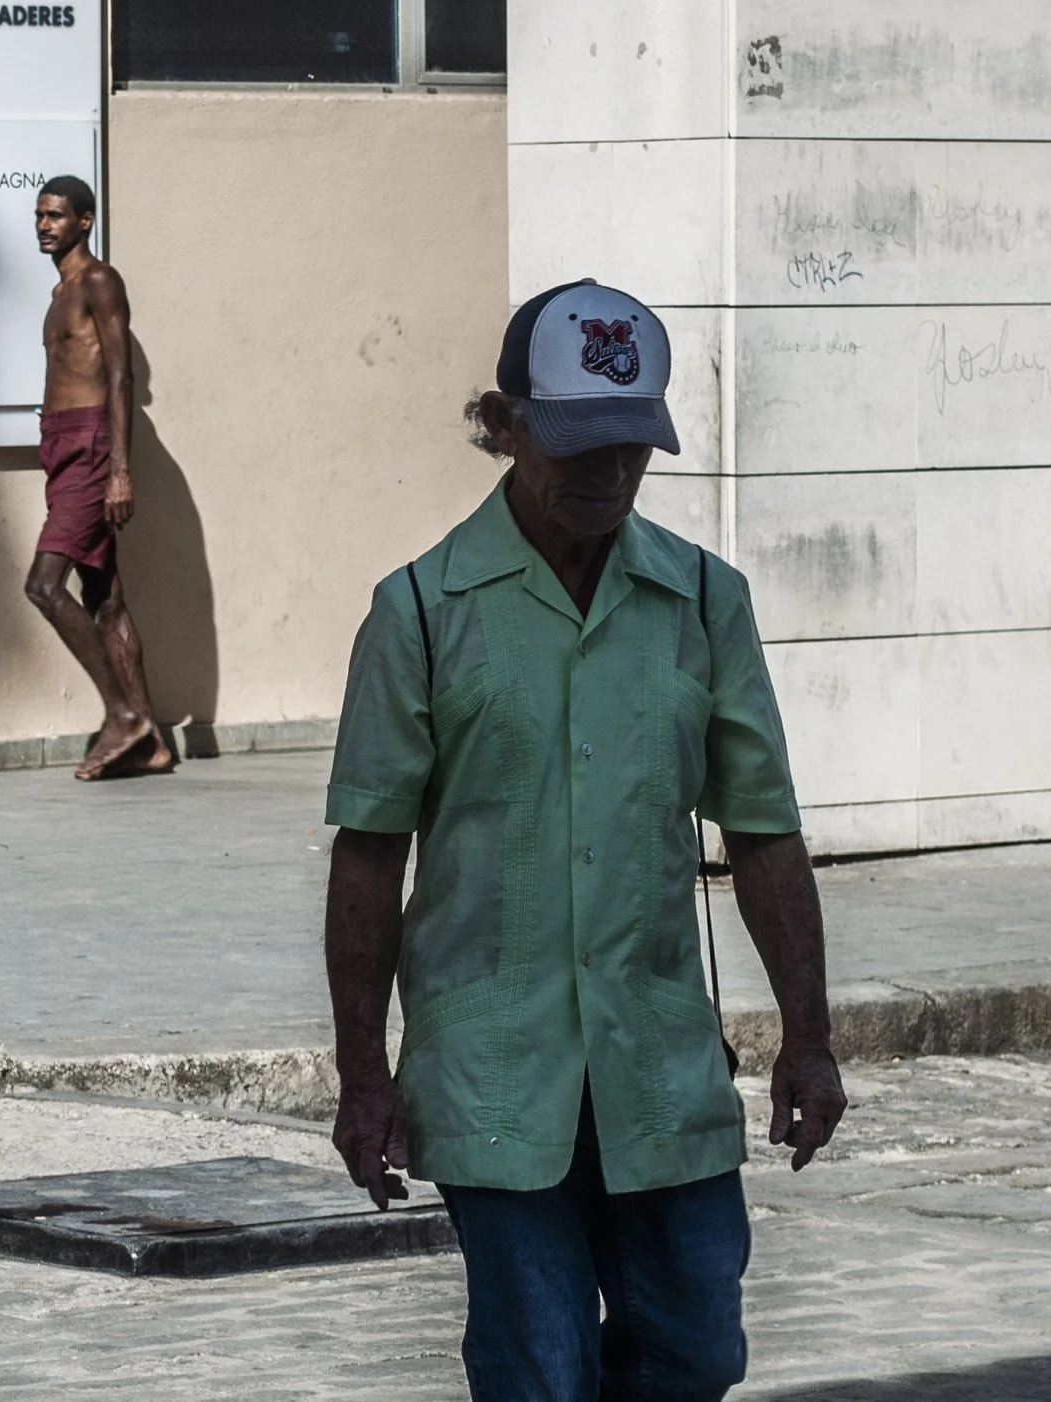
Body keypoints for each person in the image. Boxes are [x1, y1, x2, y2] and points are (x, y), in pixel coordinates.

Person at [323, 280, 846, 1402]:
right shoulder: (418, 611)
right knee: (537, 1368)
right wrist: (363, 1076)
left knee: (697, 1350)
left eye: (630, 449)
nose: (607, 477)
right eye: (576, 447)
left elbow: (763, 830)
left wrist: (809, 1036)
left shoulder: (704, 601)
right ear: (505, 425)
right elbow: (367, 857)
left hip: (658, 1068)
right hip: (492, 1075)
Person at [23, 175, 174, 781]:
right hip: (62, 445)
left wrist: (119, 470)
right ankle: (150, 739)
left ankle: (120, 715)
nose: (43, 225)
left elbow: (120, 379)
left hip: (91, 447)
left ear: (84, 220)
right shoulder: (59, 292)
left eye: (56, 216)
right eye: (38, 215)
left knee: (42, 586)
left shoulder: (99, 282)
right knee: (105, 600)